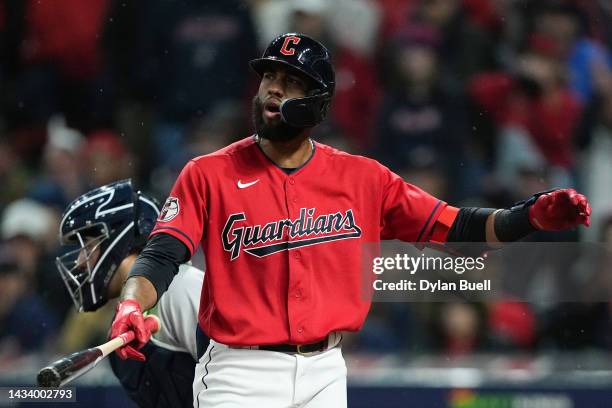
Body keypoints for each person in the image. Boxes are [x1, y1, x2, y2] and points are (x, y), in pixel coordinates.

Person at [110, 33, 592, 407]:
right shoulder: (209, 172)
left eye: (291, 80)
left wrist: (526, 216)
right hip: (240, 372)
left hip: (325, 370)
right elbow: (162, 254)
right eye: (269, 77)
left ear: (317, 100)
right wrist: (132, 304)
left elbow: (457, 228)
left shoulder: (362, 178)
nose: (274, 87)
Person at [55, 179, 204, 407]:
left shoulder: (179, 286)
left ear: (119, 238)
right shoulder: (118, 320)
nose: (80, 261)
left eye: (87, 245)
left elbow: (240, 372)